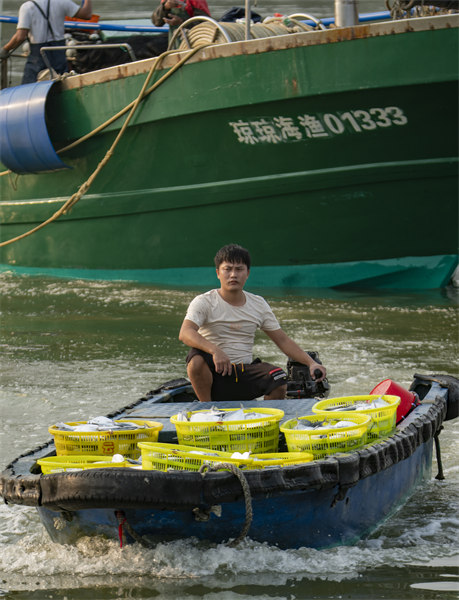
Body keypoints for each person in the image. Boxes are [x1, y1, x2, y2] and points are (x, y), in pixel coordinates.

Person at [179, 244, 327, 402]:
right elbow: (186, 333)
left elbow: (282, 340)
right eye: (227, 269)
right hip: (212, 372)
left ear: (247, 273)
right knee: (195, 361)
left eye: (239, 269)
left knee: (279, 378)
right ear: (218, 273)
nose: (233, 275)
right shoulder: (204, 301)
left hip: (243, 372)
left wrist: (311, 363)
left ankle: (266, 419)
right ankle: (207, 409)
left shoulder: (258, 304)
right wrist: (215, 351)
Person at [0, 0, 93, 84]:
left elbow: (20, 37)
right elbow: (87, 14)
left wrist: (6, 49)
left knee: (30, 89)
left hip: (37, 57)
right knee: (60, 85)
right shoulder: (62, 2)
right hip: (58, 53)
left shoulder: (27, 7)